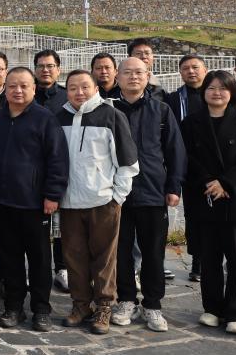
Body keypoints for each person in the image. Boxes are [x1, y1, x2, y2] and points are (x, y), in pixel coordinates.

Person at [56, 70, 139, 334]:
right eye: (72, 88)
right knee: (74, 257)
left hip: (103, 201)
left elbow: (127, 161)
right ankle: (81, 305)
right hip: (69, 202)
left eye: (84, 87)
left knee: (104, 258)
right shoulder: (59, 118)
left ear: (95, 88)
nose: (79, 92)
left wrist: (117, 197)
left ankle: (104, 305)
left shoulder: (111, 116)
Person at [0, 67, 69, 332]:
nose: (18, 91)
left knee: (40, 259)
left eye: (24, 85)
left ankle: (41, 309)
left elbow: (57, 159)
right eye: (12, 86)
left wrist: (52, 195)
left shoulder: (45, 119)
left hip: (35, 204)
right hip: (2, 202)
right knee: (9, 258)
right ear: (5, 89)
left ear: (34, 88)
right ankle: (14, 306)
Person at [181, 70, 236, 334]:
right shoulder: (191, 123)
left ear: (231, 92)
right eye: (211, 88)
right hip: (204, 198)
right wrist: (208, 182)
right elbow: (187, 158)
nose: (217, 93)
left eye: (223, 88)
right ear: (204, 92)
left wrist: (226, 184)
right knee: (209, 258)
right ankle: (212, 309)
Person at [111, 58, 186, 333]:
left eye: (139, 72)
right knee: (120, 251)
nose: (133, 77)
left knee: (153, 252)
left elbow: (175, 150)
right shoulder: (107, 109)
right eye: (127, 72)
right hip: (116, 193)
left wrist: (174, 187)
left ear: (147, 76)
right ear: (117, 77)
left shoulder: (161, 110)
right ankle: (126, 300)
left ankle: (153, 304)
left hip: (152, 191)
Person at [165, 54, 207, 281]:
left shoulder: (217, 94)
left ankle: (216, 260)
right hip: (188, 165)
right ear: (180, 72)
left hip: (214, 166)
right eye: (186, 68)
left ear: (205, 70)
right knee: (193, 216)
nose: (191, 71)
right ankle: (198, 263)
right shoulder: (174, 99)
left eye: (195, 67)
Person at [32, 50, 68, 291]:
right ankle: (37, 270)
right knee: (36, 228)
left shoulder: (67, 96)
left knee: (62, 225)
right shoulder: (28, 94)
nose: (45, 70)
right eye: (41, 66)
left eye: (50, 66)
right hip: (32, 173)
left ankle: (62, 268)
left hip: (59, 168)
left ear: (58, 69)